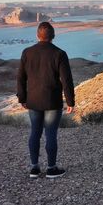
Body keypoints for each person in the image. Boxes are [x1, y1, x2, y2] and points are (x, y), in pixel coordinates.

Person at [17, 22, 75, 179]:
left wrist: (22, 98)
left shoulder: (27, 52)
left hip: (33, 101)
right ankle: (51, 169)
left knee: (35, 132)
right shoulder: (59, 54)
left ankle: (34, 168)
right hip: (52, 101)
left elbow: (21, 78)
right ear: (53, 36)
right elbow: (66, 80)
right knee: (50, 134)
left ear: (37, 35)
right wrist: (70, 102)